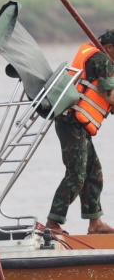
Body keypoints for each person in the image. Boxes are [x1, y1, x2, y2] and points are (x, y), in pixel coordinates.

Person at [44, 30, 114, 236]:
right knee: (77, 174)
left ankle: (95, 223)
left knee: (94, 173)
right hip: (71, 122)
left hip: (78, 125)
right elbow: (109, 95)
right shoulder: (102, 59)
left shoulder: (98, 57)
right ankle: (52, 222)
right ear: (110, 47)